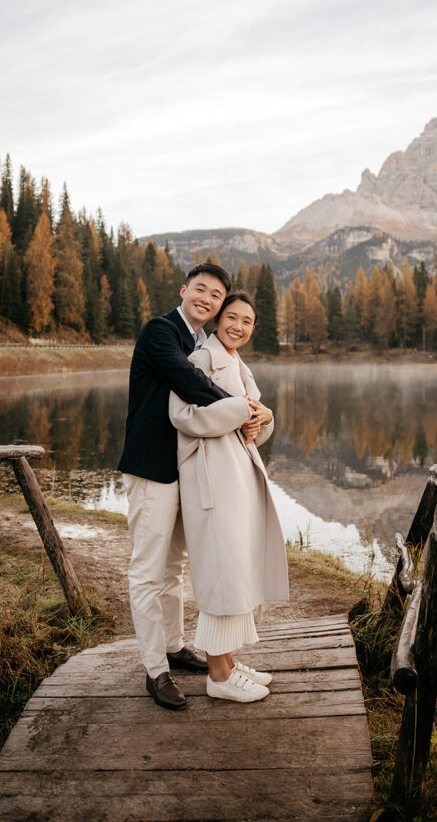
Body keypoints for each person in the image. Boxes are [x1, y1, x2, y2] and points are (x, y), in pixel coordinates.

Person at [117, 263, 257, 711]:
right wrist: (245, 410)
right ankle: (156, 669)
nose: (208, 299)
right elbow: (189, 382)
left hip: (185, 474)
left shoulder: (204, 342)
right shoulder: (160, 331)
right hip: (151, 468)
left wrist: (256, 414)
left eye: (217, 295)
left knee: (175, 566)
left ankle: (176, 647)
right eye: (201, 289)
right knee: (148, 570)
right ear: (184, 290)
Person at [169, 291, 289, 703]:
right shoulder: (201, 360)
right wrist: (242, 411)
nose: (238, 326)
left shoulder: (237, 362)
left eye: (247, 321)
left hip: (237, 477)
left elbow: (251, 418)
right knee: (221, 572)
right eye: (232, 317)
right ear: (218, 320)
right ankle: (217, 676)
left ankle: (230, 662)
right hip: (213, 480)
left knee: (236, 569)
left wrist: (264, 417)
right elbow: (182, 416)